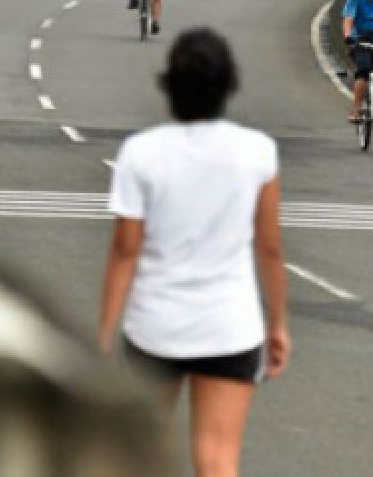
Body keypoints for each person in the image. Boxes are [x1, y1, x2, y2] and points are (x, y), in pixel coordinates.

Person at [98, 28, 290, 477]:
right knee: (218, 459)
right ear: (229, 86)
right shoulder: (257, 152)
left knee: (145, 458)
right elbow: (270, 248)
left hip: (154, 327)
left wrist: (104, 335)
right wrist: (278, 324)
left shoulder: (140, 153)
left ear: (170, 88)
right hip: (230, 327)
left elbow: (125, 251)